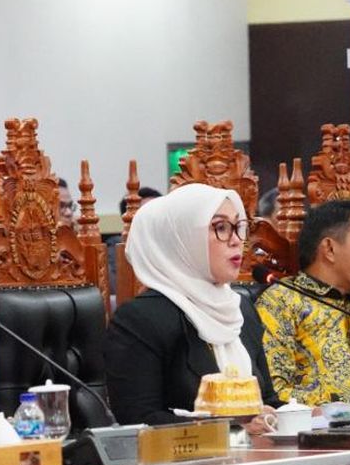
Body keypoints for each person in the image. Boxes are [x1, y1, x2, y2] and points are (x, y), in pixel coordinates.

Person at [104, 183, 279, 430]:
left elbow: (267, 401)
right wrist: (234, 429)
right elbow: (138, 420)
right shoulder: (140, 320)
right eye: (221, 228)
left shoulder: (240, 308)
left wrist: (309, 416)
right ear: (182, 240)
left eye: (239, 227)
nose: (236, 241)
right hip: (186, 454)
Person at [257, 200, 350, 406]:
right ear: (329, 249)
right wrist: (341, 409)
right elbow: (274, 392)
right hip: (314, 425)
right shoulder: (280, 303)